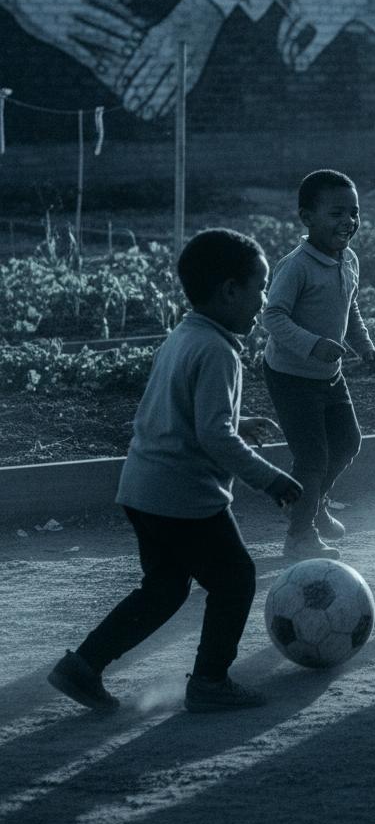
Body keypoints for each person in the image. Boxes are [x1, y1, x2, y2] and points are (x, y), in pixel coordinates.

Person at [47, 229, 303, 714]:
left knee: (164, 589)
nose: (264, 300)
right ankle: (210, 681)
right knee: (236, 578)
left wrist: (236, 419)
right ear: (230, 291)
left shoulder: (185, 336)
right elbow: (214, 437)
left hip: (142, 490)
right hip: (185, 498)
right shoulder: (220, 351)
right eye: (261, 287)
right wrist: (270, 478)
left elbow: (180, 410)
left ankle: (82, 666)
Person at [261, 169, 375, 561]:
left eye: (354, 213)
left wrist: (364, 346)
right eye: (336, 213)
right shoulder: (296, 266)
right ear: (307, 218)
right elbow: (273, 317)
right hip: (291, 376)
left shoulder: (349, 261)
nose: (348, 222)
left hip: (329, 375)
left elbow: (352, 309)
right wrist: (313, 346)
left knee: (348, 442)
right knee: (312, 457)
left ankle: (312, 501)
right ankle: (300, 534)